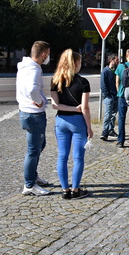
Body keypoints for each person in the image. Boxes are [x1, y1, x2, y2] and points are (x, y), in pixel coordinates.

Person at [50, 49, 93, 199]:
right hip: (77, 122)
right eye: (80, 62)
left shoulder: (55, 80)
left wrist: (69, 108)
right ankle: (75, 190)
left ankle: (64, 190)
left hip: (61, 120)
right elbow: (85, 107)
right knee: (78, 157)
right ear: (75, 63)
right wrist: (89, 127)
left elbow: (55, 105)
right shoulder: (83, 82)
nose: (81, 65)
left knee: (62, 156)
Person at [17, 40, 52, 196]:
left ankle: (33, 176)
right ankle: (29, 185)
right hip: (33, 113)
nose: (48, 58)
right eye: (48, 54)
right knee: (33, 150)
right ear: (43, 54)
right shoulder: (34, 69)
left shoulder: (24, 67)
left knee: (40, 145)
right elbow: (32, 89)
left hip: (26, 111)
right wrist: (39, 101)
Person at [115, 48, 129, 147]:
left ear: (126, 56)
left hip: (122, 95)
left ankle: (121, 141)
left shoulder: (120, 66)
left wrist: (118, 91)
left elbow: (117, 81)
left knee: (121, 119)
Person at [100, 53, 119, 141]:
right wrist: (108, 95)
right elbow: (103, 85)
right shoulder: (105, 71)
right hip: (109, 97)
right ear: (111, 60)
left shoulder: (116, 70)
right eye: (116, 60)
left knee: (113, 115)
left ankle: (111, 130)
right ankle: (105, 131)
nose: (118, 61)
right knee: (108, 114)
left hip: (116, 96)